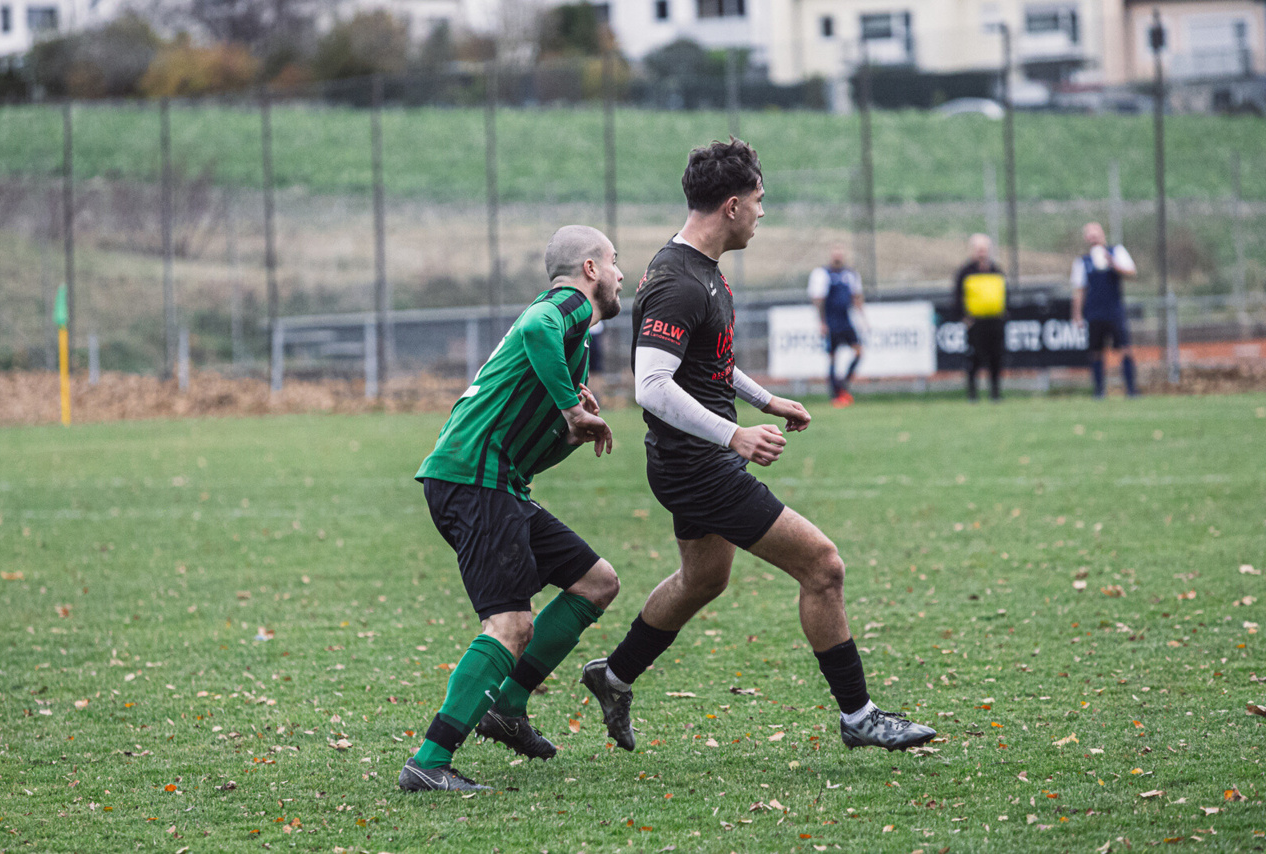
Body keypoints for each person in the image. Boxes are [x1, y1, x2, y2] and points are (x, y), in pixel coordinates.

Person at [580, 138, 936, 756]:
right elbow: (651, 386)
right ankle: (858, 716)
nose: (763, 212)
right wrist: (735, 434)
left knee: (703, 579)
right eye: (759, 200)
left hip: (691, 460)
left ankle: (613, 676)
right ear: (732, 205)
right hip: (698, 466)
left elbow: (707, 363)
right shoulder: (678, 281)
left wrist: (765, 401)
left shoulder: (701, 269)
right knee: (823, 566)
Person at [398, 225, 624, 793]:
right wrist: (571, 408)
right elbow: (534, 324)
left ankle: (508, 706)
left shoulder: (574, 348)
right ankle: (429, 761)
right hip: (474, 480)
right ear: (590, 269)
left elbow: (534, 455)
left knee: (596, 583)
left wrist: (570, 433)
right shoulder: (566, 306)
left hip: (500, 483)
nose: (622, 275)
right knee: (510, 624)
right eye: (615, 261)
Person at [1071, 221, 1139, 397]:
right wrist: (1077, 315)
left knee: (1125, 349)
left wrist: (1113, 264)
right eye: (1089, 234)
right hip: (1094, 312)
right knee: (1095, 352)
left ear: (1102, 234)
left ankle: (1131, 390)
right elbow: (1079, 290)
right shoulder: (1082, 261)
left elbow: (1131, 272)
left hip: (1114, 310)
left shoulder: (1116, 252)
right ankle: (1099, 391)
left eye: (1095, 233)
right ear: (1086, 238)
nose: (1093, 237)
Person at [953, 233, 1008, 402]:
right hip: (975, 322)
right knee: (974, 359)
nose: (982, 253)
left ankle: (995, 394)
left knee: (996, 358)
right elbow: (958, 296)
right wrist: (964, 317)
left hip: (995, 321)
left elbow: (1005, 294)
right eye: (979, 249)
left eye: (984, 249)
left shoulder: (996, 270)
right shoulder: (965, 272)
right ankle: (972, 394)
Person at [807, 247, 865, 407]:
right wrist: (821, 322)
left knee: (859, 352)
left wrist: (863, 319)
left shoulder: (850, 274)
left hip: (846, 321)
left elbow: (857, 297)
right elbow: (818, 299)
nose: (838, 258)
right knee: (833, 357)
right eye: (835, 255)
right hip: (831, 322)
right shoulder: (822, 274)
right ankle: (835, 394)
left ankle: (842, 386)